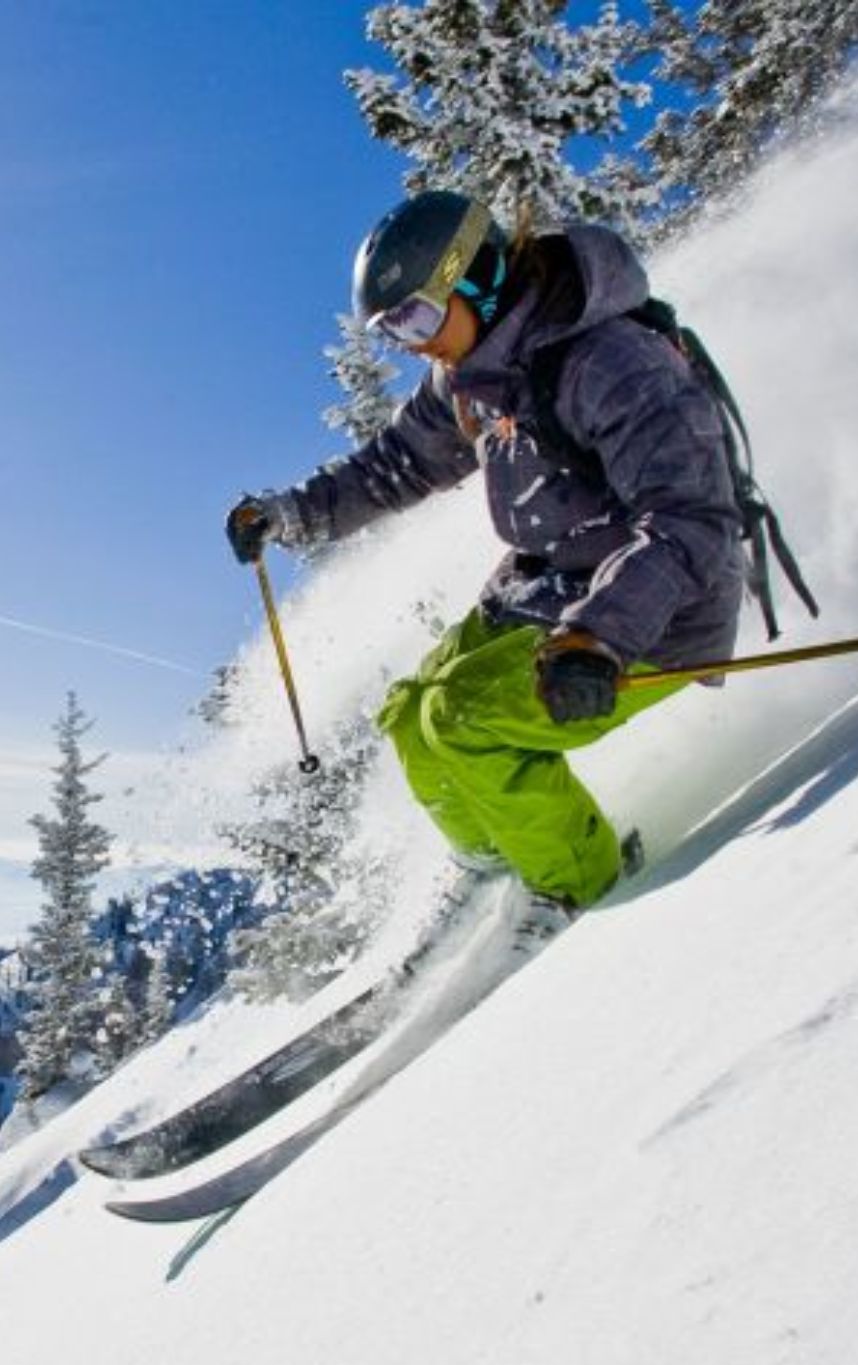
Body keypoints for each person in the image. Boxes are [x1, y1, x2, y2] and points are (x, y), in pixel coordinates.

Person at [227, 189, 745, 913]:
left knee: (465, 723)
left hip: (659, 609)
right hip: (550, 588)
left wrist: (602, 635)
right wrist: (292, 515)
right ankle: (494, 869)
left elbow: (692, 519)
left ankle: (577, 888)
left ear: (474, 278)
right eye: (391, 330)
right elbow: (396, 465)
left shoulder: (609, 362)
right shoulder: (468, 379)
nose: (412, 343)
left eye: (415, 317)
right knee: (411, 718)